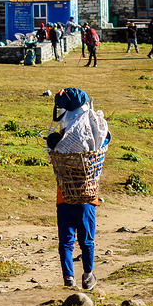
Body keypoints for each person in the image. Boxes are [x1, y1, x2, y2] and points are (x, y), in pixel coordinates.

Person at [48, 87, 107, 291]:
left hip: (64, 197)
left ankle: (69, 277)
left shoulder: (58, 141)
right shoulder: (92, 131)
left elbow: (51, 153)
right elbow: (105, 138)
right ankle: (88, 275)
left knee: (66, 241)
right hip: (86, 197)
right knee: (87, 241)